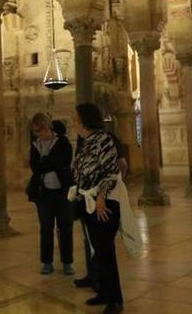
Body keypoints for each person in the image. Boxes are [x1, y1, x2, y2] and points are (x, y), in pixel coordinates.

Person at [71, 103, 123, 313]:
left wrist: (101, 197)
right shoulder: (85, 142)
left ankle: (115, 300)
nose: (73, 121)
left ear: (84, 119)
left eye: (75, 118)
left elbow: (111, 172)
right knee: (98, 251)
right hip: (88, 202)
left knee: (105, 251)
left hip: (103, 204)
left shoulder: (103, 140)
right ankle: (103, 292)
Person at [29, 113, 74, 275]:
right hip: (44, 194)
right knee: (46, 228)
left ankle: (67, 262)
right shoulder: (35, 145)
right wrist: (49, 163)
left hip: (62, 192)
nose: (41, 134)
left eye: (43, 130)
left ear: (49, 127)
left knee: (65, 228)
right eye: (37, 132)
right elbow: (35, 167)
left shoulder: (62, 142)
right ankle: (47, 262)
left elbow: (65, 161)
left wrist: (46, 162)